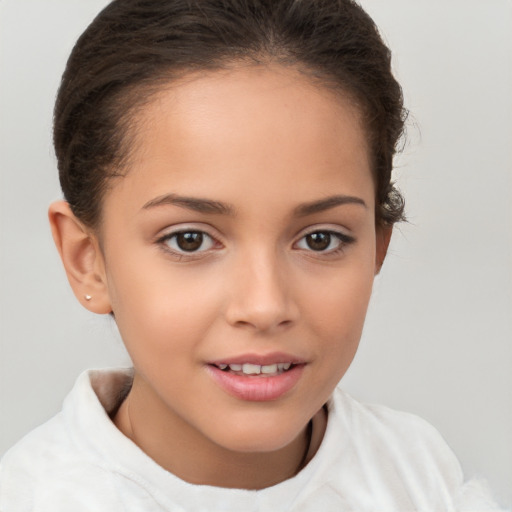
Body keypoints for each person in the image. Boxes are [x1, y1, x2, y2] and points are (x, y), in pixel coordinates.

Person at [0, 0, 506, 510]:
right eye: (189, 240)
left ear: (378, 245)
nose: (264, 306)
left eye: (320, 239)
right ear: (87, 258)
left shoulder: (422, 479)